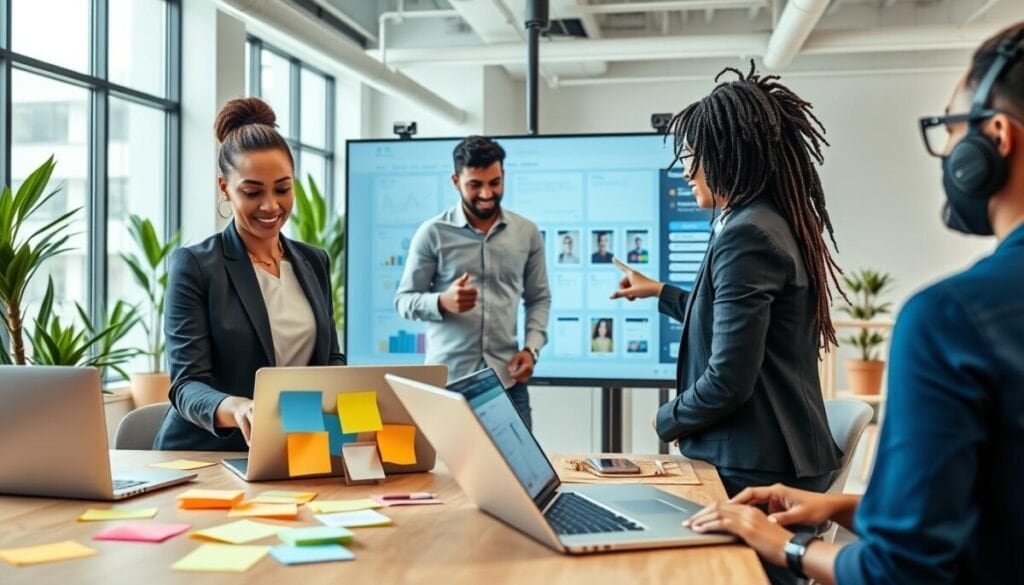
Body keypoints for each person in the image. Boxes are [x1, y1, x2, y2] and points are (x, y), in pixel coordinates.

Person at [681, 24, 1024, 585]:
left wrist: (781, 545)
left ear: (995, 140)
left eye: (950, 130)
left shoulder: (952, 320)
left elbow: (900, 571)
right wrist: (842, 509)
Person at [611, 62, 842, 500]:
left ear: (724, 155)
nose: (684, 172)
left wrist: (667, 418)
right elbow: (727, 315)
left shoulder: (747, 234)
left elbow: (729, 380)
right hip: (767, 457)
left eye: (691, 158)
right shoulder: (768, 221)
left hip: (755, 470)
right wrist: (659, 291)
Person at [154, 97, 346, 451]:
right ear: (224, 188)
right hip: (209, 456)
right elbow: (186, 384)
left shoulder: (313, 261)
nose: (271, 205)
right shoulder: (196, 266)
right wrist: (238, 406)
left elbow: (329, 358)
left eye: (283, 189)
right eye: (252, 191)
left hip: (295, 449)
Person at [394, 136, 551, 429]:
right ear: (456, 181)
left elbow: (539, 298)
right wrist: (442, 301)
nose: (487, 193)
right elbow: (404, 300)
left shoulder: (526, 232)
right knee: (443, 475)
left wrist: (531, 349)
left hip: (508, 382)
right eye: (475, 185)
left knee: (520, 474)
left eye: (495, 182)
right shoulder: (433, 233)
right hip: (449, 385)